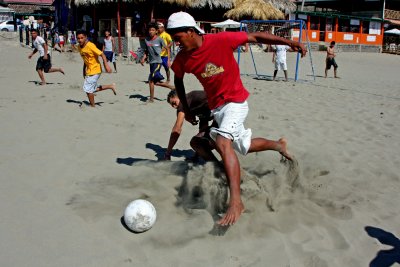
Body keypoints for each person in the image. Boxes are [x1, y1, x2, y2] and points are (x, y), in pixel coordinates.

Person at [167, 11, 307, 226]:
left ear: (190, 30)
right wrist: (186, 108)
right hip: (217, 109)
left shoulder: (221, 40)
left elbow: (257, 37)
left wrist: (289, 42)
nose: (176, 43)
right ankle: (278, 145)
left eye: (178, 38)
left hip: (236, 101)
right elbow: (177, 80)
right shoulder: (182, 58)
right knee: (243, 145)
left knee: (223, 143)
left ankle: (236, 201)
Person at [165, 90, 218, 162]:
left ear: (179, 97)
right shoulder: (194, 103)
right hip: (221, 110)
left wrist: (168, 153)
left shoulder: (184, 102)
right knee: (201, 139)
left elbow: (176, 130)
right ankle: (200, 157)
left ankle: (217, 166)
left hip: (225, 109)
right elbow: (203, 125)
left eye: (174, 103)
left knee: (199, 142)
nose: (174, 106)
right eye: (172, 105)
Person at [76, 29, 116, 107]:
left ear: (86, 37)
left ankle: (92, 106)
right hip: (89, 70)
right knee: (92, 89)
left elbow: (102, 54)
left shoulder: (90, 45)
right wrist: (84, 70)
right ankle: (110, 86)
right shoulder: (79, 47)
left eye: (82, 38)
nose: (80, 40)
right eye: (78, 38)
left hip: (95, 69)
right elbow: (86, 59)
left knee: (88, 89)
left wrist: (106, 66)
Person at [140, 22, 175, 103]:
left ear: (156, 31)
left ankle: (151, 99)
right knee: (154, 82)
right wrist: (143, 58)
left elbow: (167, 48)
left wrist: (169, 60)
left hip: (158, 62)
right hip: (151, 63)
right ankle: (171, 87)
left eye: (153, 30)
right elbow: (146, 51)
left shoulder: (160, 39)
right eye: (149, 30)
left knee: (151, 80)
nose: (151, 31)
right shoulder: (146, 40)